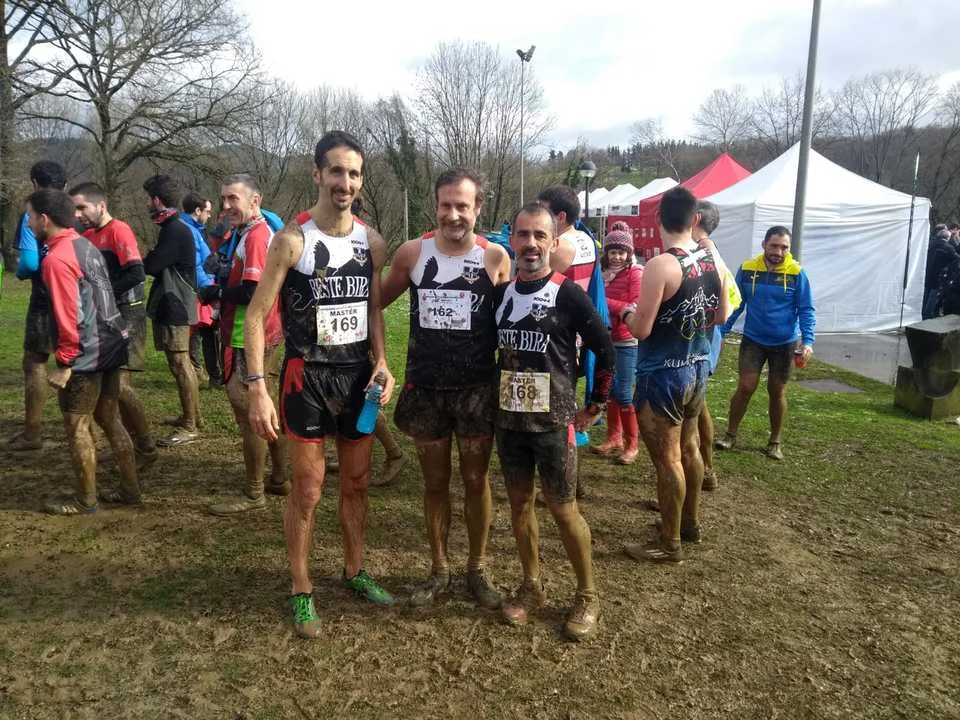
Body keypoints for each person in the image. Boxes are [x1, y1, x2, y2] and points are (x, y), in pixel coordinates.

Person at [244, 131, 397, 638]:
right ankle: (301, 585)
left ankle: (354, 570)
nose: (344, 182)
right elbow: (256, 315)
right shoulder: (292, 240)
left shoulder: (372, 242)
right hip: (305, 376)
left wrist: (382, 360)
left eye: (353, 173)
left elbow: (373, 309)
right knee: (308, 489)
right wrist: (257, 386)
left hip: (355, 377)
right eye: (336, 171)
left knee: (356, 483)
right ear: (317, 174)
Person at [381, 167, 511, 608]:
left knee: (476, 480)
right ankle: (438, 568)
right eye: (446, 205)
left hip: (476, 391)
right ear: (435, 206)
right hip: (427, 391)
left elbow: (511, 322)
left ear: (478, 209)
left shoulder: (495, 258)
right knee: (434, 483)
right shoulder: (412, 253)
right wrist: (379, 359)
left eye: (462, 206)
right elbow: (373, 304)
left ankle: (477, 568)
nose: (453, 215)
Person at [495, 202, 613, 642]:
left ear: (553, 242)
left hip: (553, 425)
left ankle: (587, 594)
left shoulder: (568, 294)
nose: (530, 244)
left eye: (539, 235)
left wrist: (596, 403)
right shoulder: (501, 294)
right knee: (519, 506)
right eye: (523, 234)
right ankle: (532, 585)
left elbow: (607, 348)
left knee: (563, 509)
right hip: (510, 424)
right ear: (512, 239)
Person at [620, 186, 729, 563]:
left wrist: (625, 312)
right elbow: (721, 315)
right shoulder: (711, 258)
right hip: (697, 367)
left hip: (663, 374)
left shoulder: (661, 266)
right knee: (690, 448)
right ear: (695, 219)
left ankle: (669, 543)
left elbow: (641, 329)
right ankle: (689, 523)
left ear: (658, 219)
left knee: (668, 460)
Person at [27, 189, 141, 514]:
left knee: (77, 425)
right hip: (113, 343)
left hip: (86, 353)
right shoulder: (85, 244)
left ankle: (85, 501)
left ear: (44, 219)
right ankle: (130, 489)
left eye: (31, 217)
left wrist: (66, 361)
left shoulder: (56, 259)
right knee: (109, 418)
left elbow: (69, 315)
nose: (30, 223)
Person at [201, 174, 289, 515]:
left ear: (255, 201)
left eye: (233, 199)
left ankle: (254, 492)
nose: (225, 206)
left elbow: (253, 292)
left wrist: (217, 292)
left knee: (251, 413)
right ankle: (280, 477)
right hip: (260, 332)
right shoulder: (246, 231)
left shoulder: (257, 236)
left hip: (248, 335)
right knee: (266, 409)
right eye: (223, 199)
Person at [69, 182, 158, 469]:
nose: (77, 214)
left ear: (101, 206)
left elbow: (136, 274)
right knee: (110, 388)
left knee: (121, 386)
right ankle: (127, 445)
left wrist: (101, 292)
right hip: (105, 315)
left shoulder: (119, 230)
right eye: (74, 209)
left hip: (128, 313)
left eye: (82, 207)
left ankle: (146, 445)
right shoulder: (88, 236)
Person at [715, 225, 815, 461]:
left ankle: (775, 442)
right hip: (754, 340)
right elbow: (736, 303)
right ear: (764, 245)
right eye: (774, 246)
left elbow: (806, 309)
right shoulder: (748, 269)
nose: (778, 252)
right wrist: (721, 332)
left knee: (777, 391)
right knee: (745, 386)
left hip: (785, 343)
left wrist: (808, 341)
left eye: (784, 247)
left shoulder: (797, 273)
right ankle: (730, 435)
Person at [3, 161, 67, 451]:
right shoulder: (73, 210)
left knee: (35, 360)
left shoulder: (34, 212)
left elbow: (29, 263)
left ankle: (33, 432)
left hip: (45, 297)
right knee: (74, 360)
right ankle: (87, 428)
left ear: (34, 183)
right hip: (76, 294)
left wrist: (20, 273)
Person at [142, 175, 201, 446]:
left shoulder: (175, 229)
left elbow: (153, 265)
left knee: (180, 362)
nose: (147, 204)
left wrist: (148, 257)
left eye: (149, 199)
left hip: (177, 304)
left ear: (157, 200)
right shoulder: (171, 228)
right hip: (172, 302)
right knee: (177, 362)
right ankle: (192, 416)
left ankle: (190, 425)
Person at [691, 200, 740, 490]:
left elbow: (722, 302)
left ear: (695, 219)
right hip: (705, 337)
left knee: (695, 410)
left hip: (702, 338)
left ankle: (705, 470)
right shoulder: (708, 249)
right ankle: (707, 470)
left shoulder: (705, 251)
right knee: (699, 407)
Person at [590, 224, 642, 465]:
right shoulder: (600, 273)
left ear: (628, 253)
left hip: (627, 340)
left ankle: (632, 444)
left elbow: (635, 304)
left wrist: (605, 302)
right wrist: (618, 306)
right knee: (609, 389)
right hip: (606, 338)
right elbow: (593, 300)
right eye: (613, 252)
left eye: (622, 252)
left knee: (623, 392)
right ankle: (614, 438)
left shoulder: (635, 273)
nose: (617, 257)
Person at [182, 193, 223, 388]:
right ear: (198, 211)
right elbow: (197, 264)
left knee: (203, 331)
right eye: (207, 211)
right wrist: (208, 288)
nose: (209, 216)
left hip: (202, 286)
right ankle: (199, 372)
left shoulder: (196, 230)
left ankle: (204, 373)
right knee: (202, 330)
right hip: (200, 289)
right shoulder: (190, 231)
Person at [537, 185, 596, 292]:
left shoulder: (556, 246)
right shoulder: (587, 238)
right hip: (581, 300)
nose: (538, 217)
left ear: (561, 217)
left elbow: (527, 284)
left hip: (558, 301)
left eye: (543, 213)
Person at [922, 227, 959, 319]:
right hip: (940, 275)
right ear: (947, 238)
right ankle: (928, 315)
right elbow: (957, 258)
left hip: (928, 272)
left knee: (926, 293)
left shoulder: (931, 244)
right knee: (934, 296)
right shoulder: (949, 248)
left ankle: (922, 312)